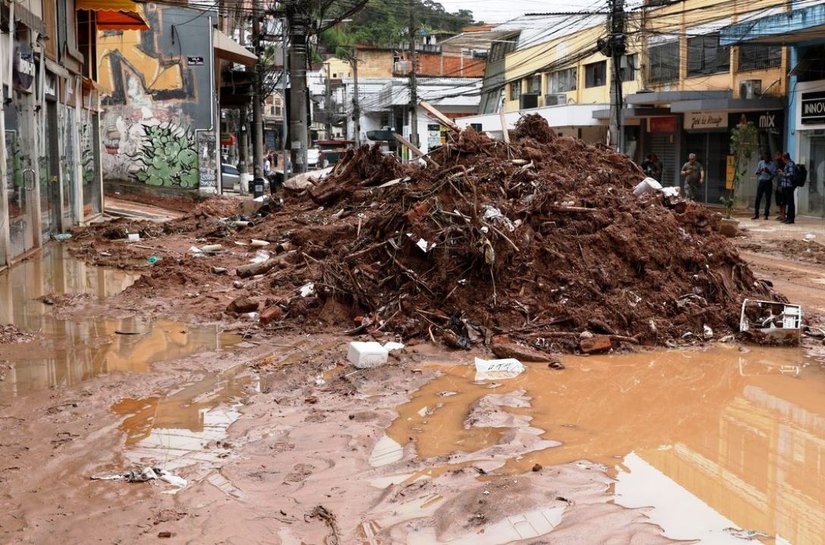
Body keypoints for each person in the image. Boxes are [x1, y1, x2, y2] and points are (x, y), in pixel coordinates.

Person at [752, 151, 776, 220]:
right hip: (761, 182)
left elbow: (774, 175)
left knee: (768, 199)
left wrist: (768, 172)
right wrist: (761, 171)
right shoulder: (760, 163)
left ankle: (766, 215)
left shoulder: (772, 164)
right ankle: (756, 214)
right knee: (758, 198)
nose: (766, 159)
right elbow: (756, 173)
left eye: (767, 158)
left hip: (768, 182)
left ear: (769, 158)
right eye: (765, 158)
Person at [779, 152, 797, 224]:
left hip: (789, 186)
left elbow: (791, 174)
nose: (782, 160)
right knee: (788, 202)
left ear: (785, 158)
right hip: (785, 186)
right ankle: (788, 217)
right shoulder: (787, 164)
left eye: (783, 158)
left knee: (790, 203)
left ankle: (791, 219)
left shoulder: (790, 164)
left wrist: (783, 173)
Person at [773, 151, 786, 221]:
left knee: (783, 200)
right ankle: (781, 215)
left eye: (777, 155)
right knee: (779, 200)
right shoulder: (778, 164)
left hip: (783, 184)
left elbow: (783, 173)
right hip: (778, 183)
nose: (776, 157)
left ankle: (783, 215)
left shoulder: (783, 163)